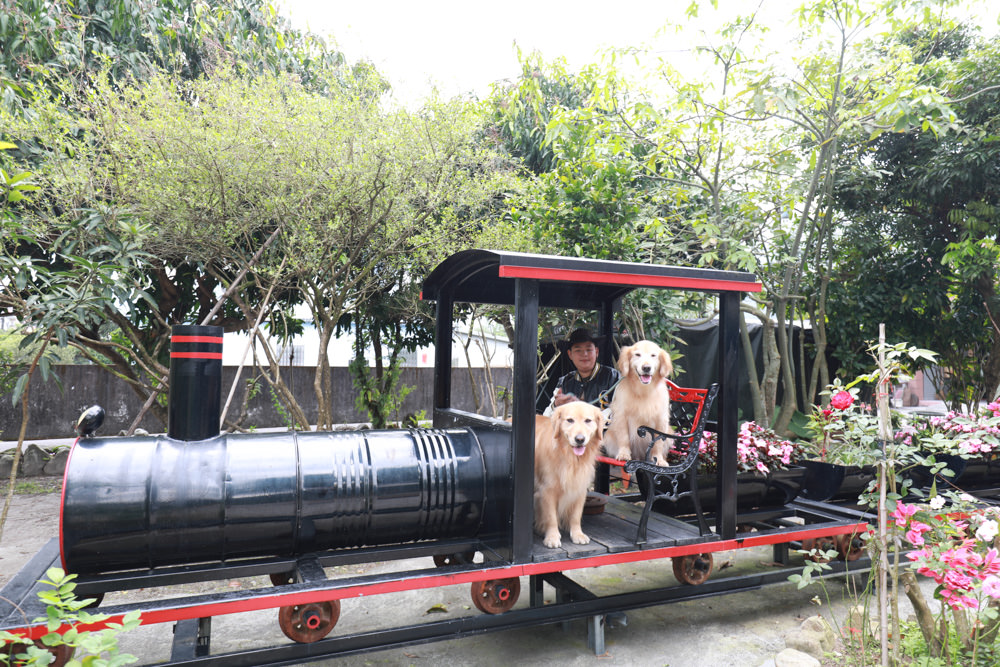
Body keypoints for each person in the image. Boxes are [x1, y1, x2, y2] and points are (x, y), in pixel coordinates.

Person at [543, 328, 621, 415]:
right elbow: (546, 416)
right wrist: (556, 404)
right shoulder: (565, 382)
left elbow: (621, 411)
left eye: (588, 349)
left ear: (597, 352)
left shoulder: (614, 378)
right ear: (570, 354)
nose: (584, 354)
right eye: (578, 350)